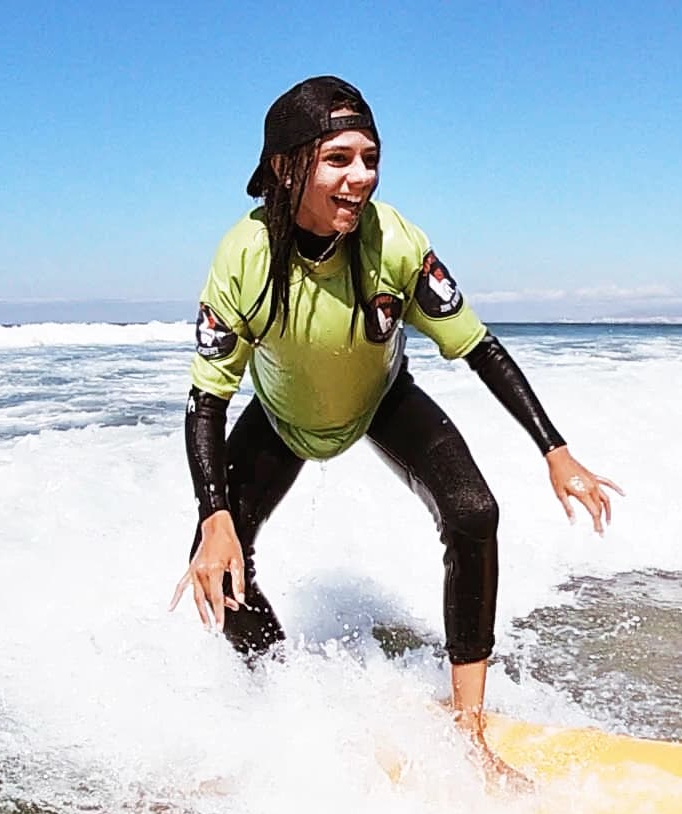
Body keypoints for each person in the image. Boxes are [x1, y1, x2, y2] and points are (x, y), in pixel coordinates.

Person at [170, 76, 620, 772]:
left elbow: (477, 345)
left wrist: (555, 450)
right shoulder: (245, 256)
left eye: (370, 158)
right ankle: (283, 697)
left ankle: (467, 731)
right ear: (288, 166)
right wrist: (213, 515)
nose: (361, 178)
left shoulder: (397, 243)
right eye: (339, 159)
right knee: (216, 562)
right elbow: (208, 398)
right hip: (284, 417)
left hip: (381, 399)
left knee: (474, 513)